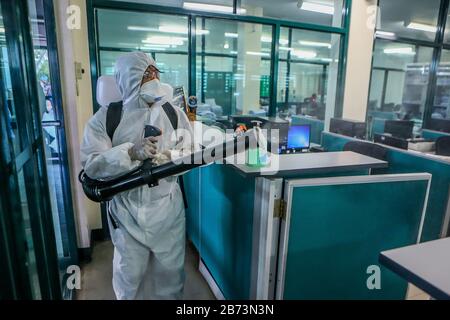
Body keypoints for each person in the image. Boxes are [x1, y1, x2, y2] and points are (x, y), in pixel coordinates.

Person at [80, 51, 193, 300]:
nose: (153, 77)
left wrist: (170, 158)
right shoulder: (107, 118)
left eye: (155, 72)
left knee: (171, 278)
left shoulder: (174, 114)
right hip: (126, 211)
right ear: (128, 79)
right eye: (145, 74)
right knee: (129, 279)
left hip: (167, 210)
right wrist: (130, 152)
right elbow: (92, 165)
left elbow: (189, 154)